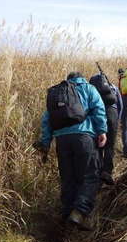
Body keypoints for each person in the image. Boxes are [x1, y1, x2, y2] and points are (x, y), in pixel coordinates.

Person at [34, 72, 107, 231]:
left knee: (68, 177)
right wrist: (102, 131)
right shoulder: (88, 88)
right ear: (81, 77)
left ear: (68, 79)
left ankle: (66, 215)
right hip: (84, 137)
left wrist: (46, 142)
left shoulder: (58, 93)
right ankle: (79, 212)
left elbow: (47, 120)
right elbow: (99, 109)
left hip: (62, 140)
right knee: (90, 175)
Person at [89, 74, 123, 186]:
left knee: (98, 145)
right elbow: (120, 104)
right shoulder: (113, 87)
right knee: (110, 145)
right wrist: (118, 119)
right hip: (112, 114)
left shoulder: (91, 89)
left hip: (97, 116)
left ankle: (97, 172)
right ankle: (107, 172)